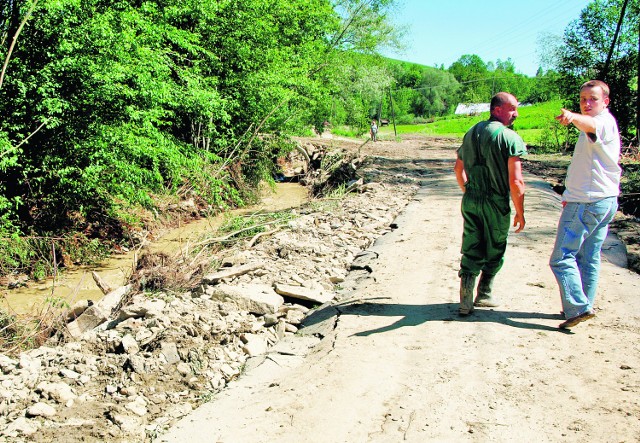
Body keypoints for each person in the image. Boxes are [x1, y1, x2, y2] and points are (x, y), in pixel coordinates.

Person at [550, 80, 621, 330]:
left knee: (561, 258)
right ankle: (584, 306)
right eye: (582, 99)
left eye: (592, 98)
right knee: (589, 256)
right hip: (603, 200)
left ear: (605, 101)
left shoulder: (601, 122)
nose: (587, 103)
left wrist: (572, 116)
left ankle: (578, 307)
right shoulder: (600, 123)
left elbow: (590, 124)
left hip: (588, 201)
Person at [454, 92, 526, 316]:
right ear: (497, 110)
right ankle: (484, 293)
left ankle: (465, 300)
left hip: (472, 199)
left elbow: (458, 170)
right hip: (496, 201)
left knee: (472, 245)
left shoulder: (470, 133)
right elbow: (516, 181)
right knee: (495, 247)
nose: (516, 113)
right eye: (512, 108)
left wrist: (468, 191)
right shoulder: (509, 137)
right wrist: (520, 212)